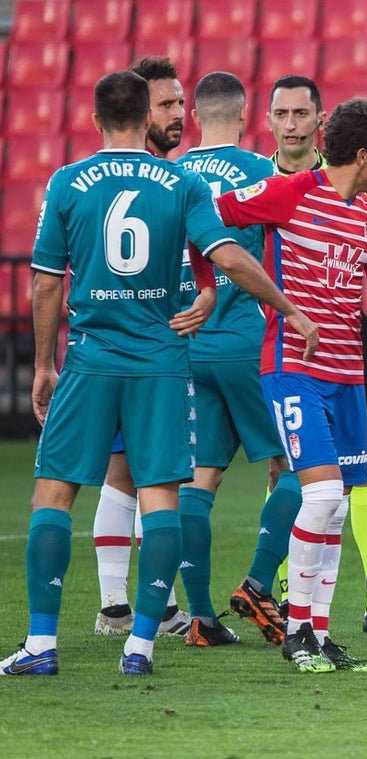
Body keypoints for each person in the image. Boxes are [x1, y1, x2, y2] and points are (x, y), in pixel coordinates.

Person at [1, 69, 316, 676]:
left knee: (55, 493)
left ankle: (42, 643)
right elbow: (226, 255)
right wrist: (287, 310)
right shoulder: (177, 181)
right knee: (163, 496)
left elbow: (45, 282)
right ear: (146, 117)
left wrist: (44, 364)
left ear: (96, 120)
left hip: (91, 356)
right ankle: (140, 645)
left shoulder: (67, 182)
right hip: (164, 360)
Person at [208, 96, 367, 672]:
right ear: (362, 154)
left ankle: (319, 633)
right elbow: (211, 215)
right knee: (324, 495)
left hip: (349, 379)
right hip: (292, 370)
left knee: (336, 508)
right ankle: (295, 633)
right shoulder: (290, 191)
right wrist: (205, 283)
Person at [173, 71, 303, 648]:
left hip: (187, 342)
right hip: (249, 342)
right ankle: (256, 584)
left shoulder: (170, 177)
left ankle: (200, 618)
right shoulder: (261, 171)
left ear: (195, 116)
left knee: (200, 481)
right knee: (300, 469)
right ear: (249, 115)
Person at [92, 56, 195, 638]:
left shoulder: (173, 180)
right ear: (136, 112)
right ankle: (119, 605)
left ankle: (137, 604)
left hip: (155, 345)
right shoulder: (147, 184)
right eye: (166, 105)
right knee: (136, 470)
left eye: (181, 103)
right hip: (138, 349)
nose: (178, 115)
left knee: (137, 469)